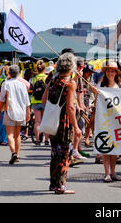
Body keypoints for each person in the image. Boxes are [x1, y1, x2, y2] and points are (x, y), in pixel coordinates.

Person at [42, 53, 80, 194]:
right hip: (64, 122)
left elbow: (44, 100)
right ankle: (60, 186)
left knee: (55, 154)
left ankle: (53, 183)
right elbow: (70, 107)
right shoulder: (70, 83)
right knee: (65, 154)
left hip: (53, 122)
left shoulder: (53, 80)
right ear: (72, 67)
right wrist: (76, 127)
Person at [92, 60, 121, 182]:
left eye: (112, 71)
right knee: (105, 146)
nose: (110, 73)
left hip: (116, 120)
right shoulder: (101, 86)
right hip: (104, 120)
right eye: (108, 71)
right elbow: (97, 102)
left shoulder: (120, 87)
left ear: (116, 73)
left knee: (115, 147)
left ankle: (113, 172)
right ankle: (106, 173)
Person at [0, 65, 31, 164]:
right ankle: (17, 154)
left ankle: (13, 153)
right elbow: (26, 101)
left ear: (9, 73)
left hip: (9, 111)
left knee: (10, 134)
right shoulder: (22, 85)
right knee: (17, 135)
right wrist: (28, 113)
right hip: (21, 111)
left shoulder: (6, 84)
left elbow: (2, 99)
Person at [31, 60, 49, 146]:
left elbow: (30, 90)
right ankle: (46, 140)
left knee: (37, 121)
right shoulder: (47, 78)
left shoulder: (33, 79)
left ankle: (38, 140)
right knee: (46, 121)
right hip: (45, 101)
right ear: (44, 69)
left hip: (35, 101)